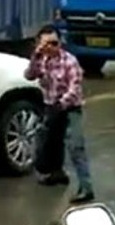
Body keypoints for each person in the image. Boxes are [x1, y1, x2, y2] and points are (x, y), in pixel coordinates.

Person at [24, 24, 93, 203]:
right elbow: (29, 75)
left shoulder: (70, 61)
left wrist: (61, 105)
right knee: (49, 143)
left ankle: (86, 187)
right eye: (48, 44)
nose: (53, 48)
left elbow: (75, 88)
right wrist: (36, 57)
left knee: (75, 145)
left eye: (55, 43)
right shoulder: (41, 60)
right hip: (50, 105)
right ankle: (56, 173)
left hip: (69, 107)